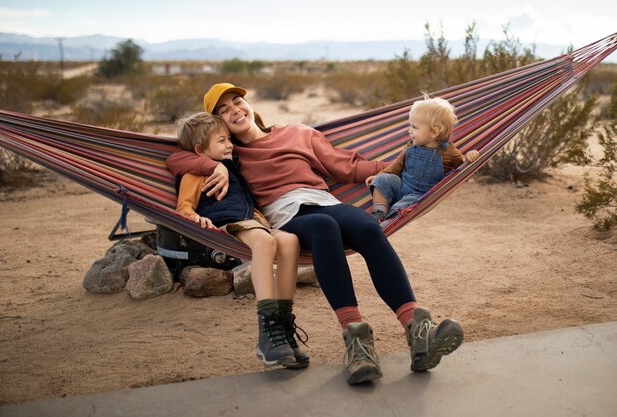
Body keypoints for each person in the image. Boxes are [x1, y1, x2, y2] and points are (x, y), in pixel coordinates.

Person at [167, 83, 464, 384]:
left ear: (248, 104)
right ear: (218, 125)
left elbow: (346, 166)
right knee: (325, 227)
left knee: (366, 225)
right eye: (223, 110)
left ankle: (417, 330)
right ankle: (357, 341)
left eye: (237, 102)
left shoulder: (297, 133)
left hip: (323, 201)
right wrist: (210, 165)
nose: (235, 110)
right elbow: (176, 158)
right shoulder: (229, 154)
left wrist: (401, 170)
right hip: (286, 215)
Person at [174, 111, 307, 369]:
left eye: (228, 139)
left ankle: (283, 326)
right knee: (265, 243)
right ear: (201, 150)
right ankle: (267, 333)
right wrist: (195, 218)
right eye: (222, 140)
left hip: (254, 222)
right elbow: (184, 207)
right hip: (226, 222)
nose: (229, 144)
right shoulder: (194, 172)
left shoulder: (232, 165)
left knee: (290, 241)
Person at [366, 95, 480, 221]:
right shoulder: (410, 145)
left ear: (433, 132)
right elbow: (397, 165)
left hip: (421, 196)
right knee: (383, 180)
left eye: (414, 127)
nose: (409, 131)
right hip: (402, 186)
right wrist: (380, 175)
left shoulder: (448, 151)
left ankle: (388, 221)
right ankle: (379, 212)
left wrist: (469, 157)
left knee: (403, 206)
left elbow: (462, 167)